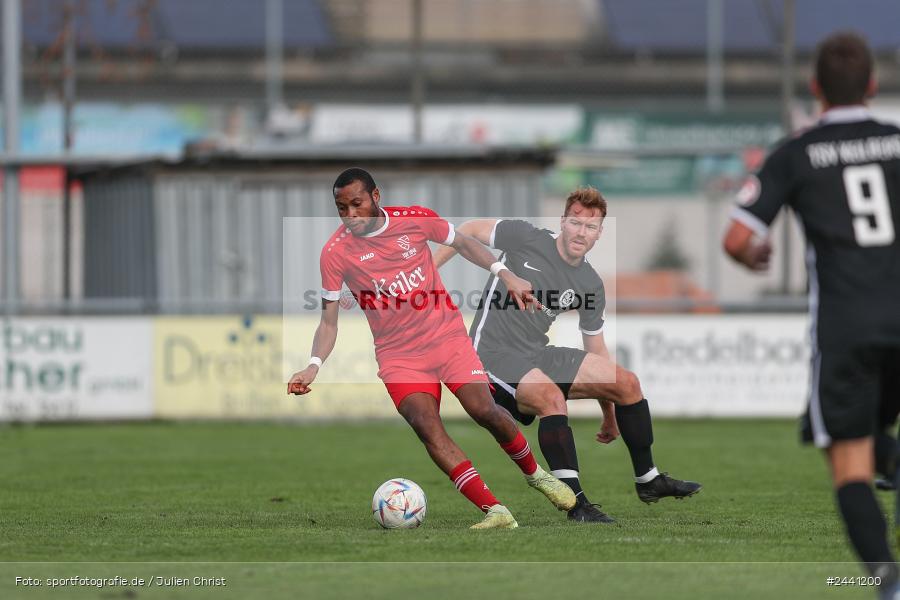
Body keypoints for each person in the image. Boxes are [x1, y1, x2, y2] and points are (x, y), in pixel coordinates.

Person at [287, 168, 576, 530]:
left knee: (483, 409)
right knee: (426, 425)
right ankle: (495, 511)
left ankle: (536, 475)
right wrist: (313, 365)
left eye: (356, 204)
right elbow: (329, 321)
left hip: (447, 338)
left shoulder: (414, 220)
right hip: (399, 357)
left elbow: (463, 242)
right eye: (341, 208)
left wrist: (506, 273)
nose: (350, 215)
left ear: (376, 196)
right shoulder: (335, 253)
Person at [723, 32, 900, 595]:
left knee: (849, 462)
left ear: (816, 88)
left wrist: (756, 254)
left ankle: (890, 584)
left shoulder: (795, 153)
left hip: (846, 326)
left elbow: (735, 237)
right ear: (872, 86)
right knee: (881, 437)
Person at [434, 186, 701, 524]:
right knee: (550, 398)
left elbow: (597, 351)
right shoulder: (526, 237)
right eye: (575, 223)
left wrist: (608, 411)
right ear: (562, 222)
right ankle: (577, 505)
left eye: (590, 227)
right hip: (491, 355)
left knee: (626, 383)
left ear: (600, 234)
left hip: (535, 354)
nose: (581, 232)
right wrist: (429, 271)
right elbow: (468, 231)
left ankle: (648, 480)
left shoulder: (590, 284)